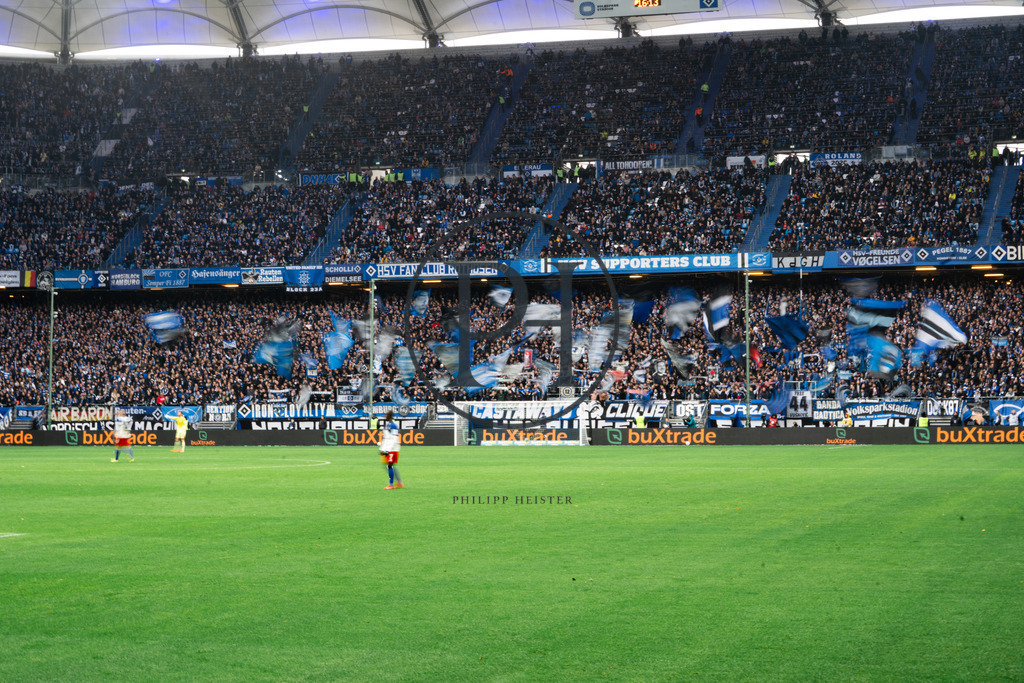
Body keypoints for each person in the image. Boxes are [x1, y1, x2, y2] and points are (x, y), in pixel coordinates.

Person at [380, 410, 404, 490]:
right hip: (389, 448)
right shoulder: (387, 425)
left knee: (389, 465)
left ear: (389, 416)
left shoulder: (393, 426)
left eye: (386, 415)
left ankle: (391, 484)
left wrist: (388, 450)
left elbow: (394, 439)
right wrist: (383, 449)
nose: (385, 416)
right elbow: (386, 439)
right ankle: (399, 482)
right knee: (389, 465)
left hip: (393, 448)